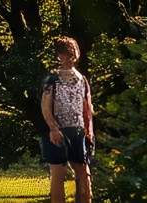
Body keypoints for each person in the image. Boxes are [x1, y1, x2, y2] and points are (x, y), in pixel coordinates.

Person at [39, 36, 95, 203]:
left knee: (84, 173)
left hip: (77, 131)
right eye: (67, 52)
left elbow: (87, 109)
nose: (72, 55)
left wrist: (89, 134)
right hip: (57, 132)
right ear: (60, 55)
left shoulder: (82, 79)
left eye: (74, 50)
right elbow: (45, 106)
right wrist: (53, 129)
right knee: (58, 173)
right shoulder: (52, 79)